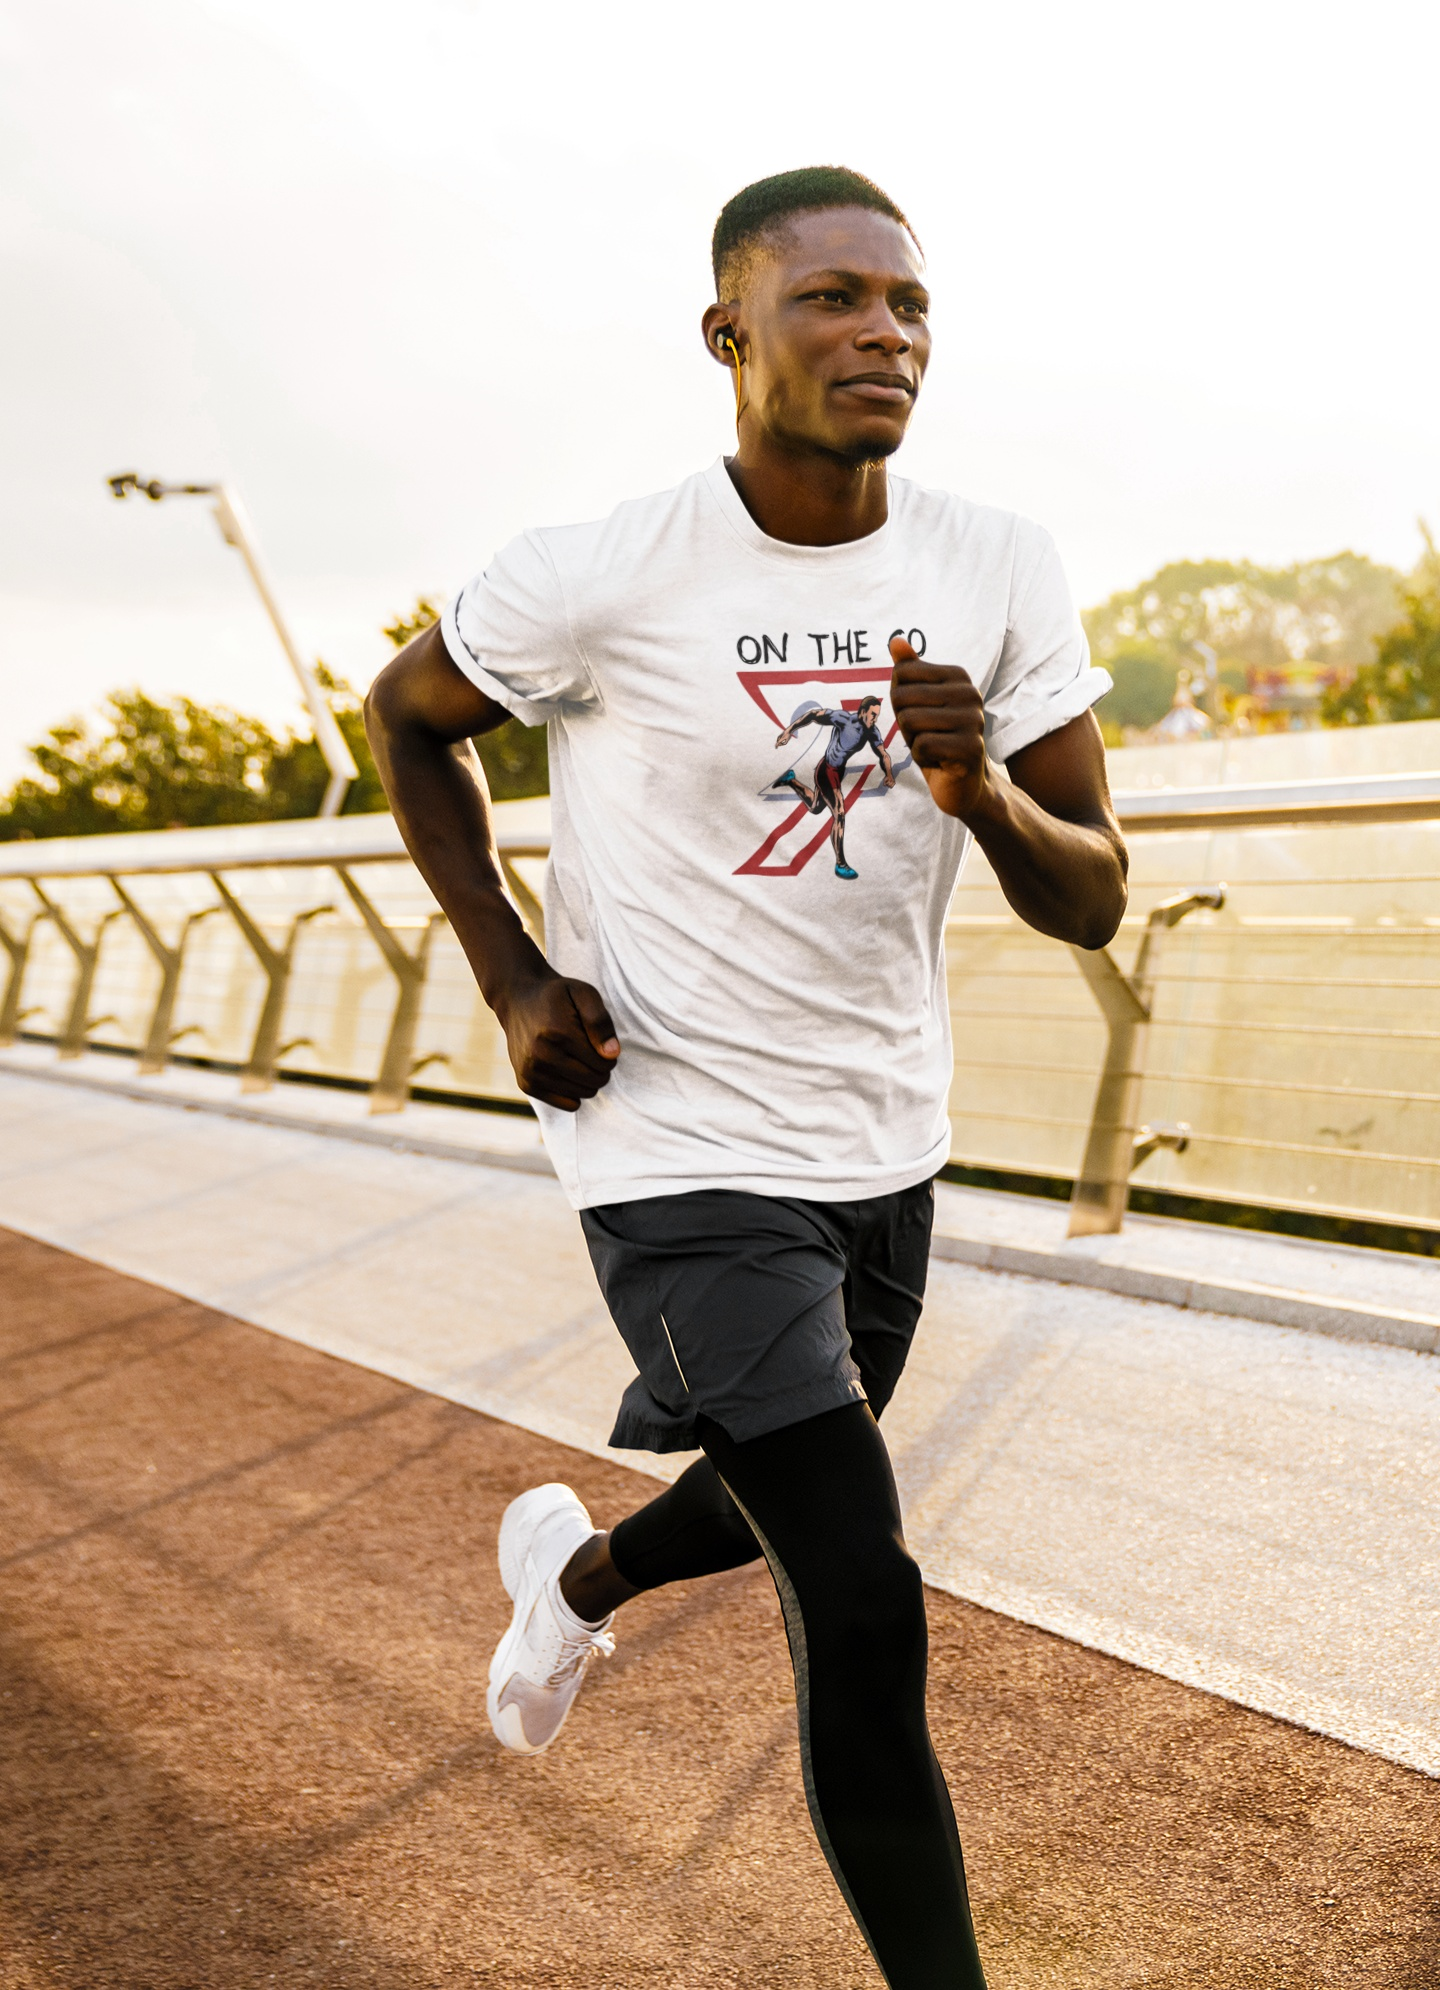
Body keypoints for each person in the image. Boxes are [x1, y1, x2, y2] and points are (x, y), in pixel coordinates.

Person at [365, 164, 1127, 1990]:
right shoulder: (601, 572)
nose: (883, 332)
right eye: (833, 300)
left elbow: (1094, 889)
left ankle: (578, 1582)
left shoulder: (998, 561)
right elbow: (408, 719)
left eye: (909, 305)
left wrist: (984, 796)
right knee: (859, 1589)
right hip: (668, 1135)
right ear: (731, 334)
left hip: (882, 1133)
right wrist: (510, 973)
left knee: (803, 1475)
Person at [772, 692, 894, 878]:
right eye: (872, 714)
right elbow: (813, 714)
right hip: (826, 770)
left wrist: (889, 775)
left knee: (815, 807)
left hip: (838, 772)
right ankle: (840, 864)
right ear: (862, 712)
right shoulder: (843, 719)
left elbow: (883, 754)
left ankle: (790, 780)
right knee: (840, 813)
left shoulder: (872, 731)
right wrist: (788, 731)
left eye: (877, 715)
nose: (875, 719)